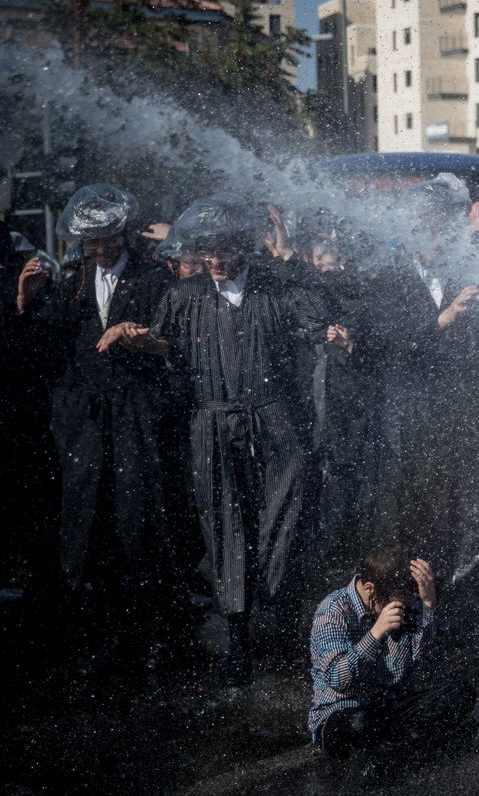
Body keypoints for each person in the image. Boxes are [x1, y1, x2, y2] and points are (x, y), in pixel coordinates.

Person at [102, 195, 346, 685]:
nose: (214, 262)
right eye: (206, 253)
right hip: (212, 420)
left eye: (224, 253)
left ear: (243, 249)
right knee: (224, 519)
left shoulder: (276, 287)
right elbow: (164, 344)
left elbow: (318, 317)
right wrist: (133, 337)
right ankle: (237, 635)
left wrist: (331, 331)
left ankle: (274, 609)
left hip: (274, 417)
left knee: (290, 499)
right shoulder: (184, 296)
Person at [19, 185, 177, 675]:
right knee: (89, 519)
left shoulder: (153, 276)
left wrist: (142, 341)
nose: (103, 250)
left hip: (137, 415)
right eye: (93, 243)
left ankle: (154, 631)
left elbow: (175, 341)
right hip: (86, 422)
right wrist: (25, 300)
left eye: (109, 240)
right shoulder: (71, 280)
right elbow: (43, 350)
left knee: (141, 517)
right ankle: (102, 630)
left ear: (123, 233)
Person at [309, 548, 474, 773]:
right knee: (357, 723)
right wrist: (375, 634)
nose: (403, 610)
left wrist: (429, 604)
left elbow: (426, 659)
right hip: (345, 711)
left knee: (460, 693)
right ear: (370, 590)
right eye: (397, 605)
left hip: (391, 707)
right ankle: (398, 752)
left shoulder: (404, 603)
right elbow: (338, 679)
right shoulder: (332, 610)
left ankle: (390, 755)